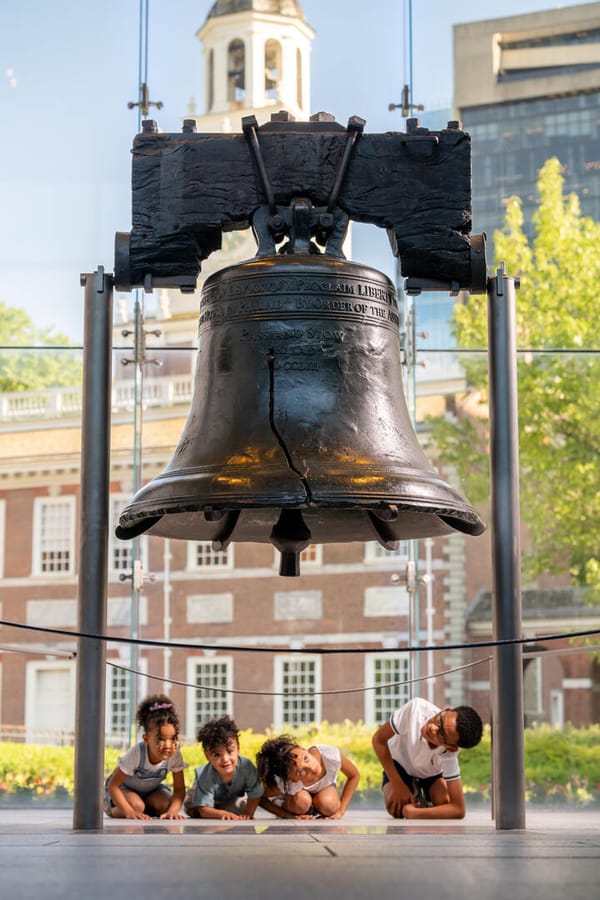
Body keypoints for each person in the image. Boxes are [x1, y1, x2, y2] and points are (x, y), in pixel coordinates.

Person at [371, 697, 483, 820]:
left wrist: (413, 813)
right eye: (439, 720)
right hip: (399, 764)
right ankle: (415, 793)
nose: (432, 728)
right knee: (395, 807)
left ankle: (420, 797)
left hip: (430, 773)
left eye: (441, 734)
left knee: (444, 802)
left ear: (451, 748)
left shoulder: (449, 753)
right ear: (445, 710)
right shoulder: (416, 709)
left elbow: (458, 809)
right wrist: (398, 784)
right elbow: (378, 740)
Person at [104, 693, 188, 820]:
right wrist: (129, 812)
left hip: (151, 791)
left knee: (165, 805)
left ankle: (143, 810)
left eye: (173, 739)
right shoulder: (137, 753)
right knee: (136, 806)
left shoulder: (175, 755)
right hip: (124, 790)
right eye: (160, 739)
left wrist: (173, 812)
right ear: (146, 739)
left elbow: (179, 789)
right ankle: (113, 810)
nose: (168, 745)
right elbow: (113, 786)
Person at [256, 734, 360, 819]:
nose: (311, 768)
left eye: (306, 759)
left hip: (324, 788)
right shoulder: (286, 782)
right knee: (302, 802)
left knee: (330, 806)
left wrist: (341, 811)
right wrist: (285, 815)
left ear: (303, 749)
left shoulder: (328, 755)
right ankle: (287, 803)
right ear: (292, 780)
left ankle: (314, 807)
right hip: (299, 796)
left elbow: (354, 775)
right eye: (301, 772)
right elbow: (258, 796)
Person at [184, 715, 263, 820]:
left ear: (238, 748)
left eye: (230, 751)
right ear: (207, 756)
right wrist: (221, 814)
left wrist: (249, 813)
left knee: (238, 808)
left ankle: (220, 808)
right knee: (193, 809)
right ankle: (217, 809)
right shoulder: (205, 775)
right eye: (217, 754)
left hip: (229, 798)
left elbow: (255, 793)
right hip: (200, 799)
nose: (225, 759)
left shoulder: (246, 767)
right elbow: (203, 809)